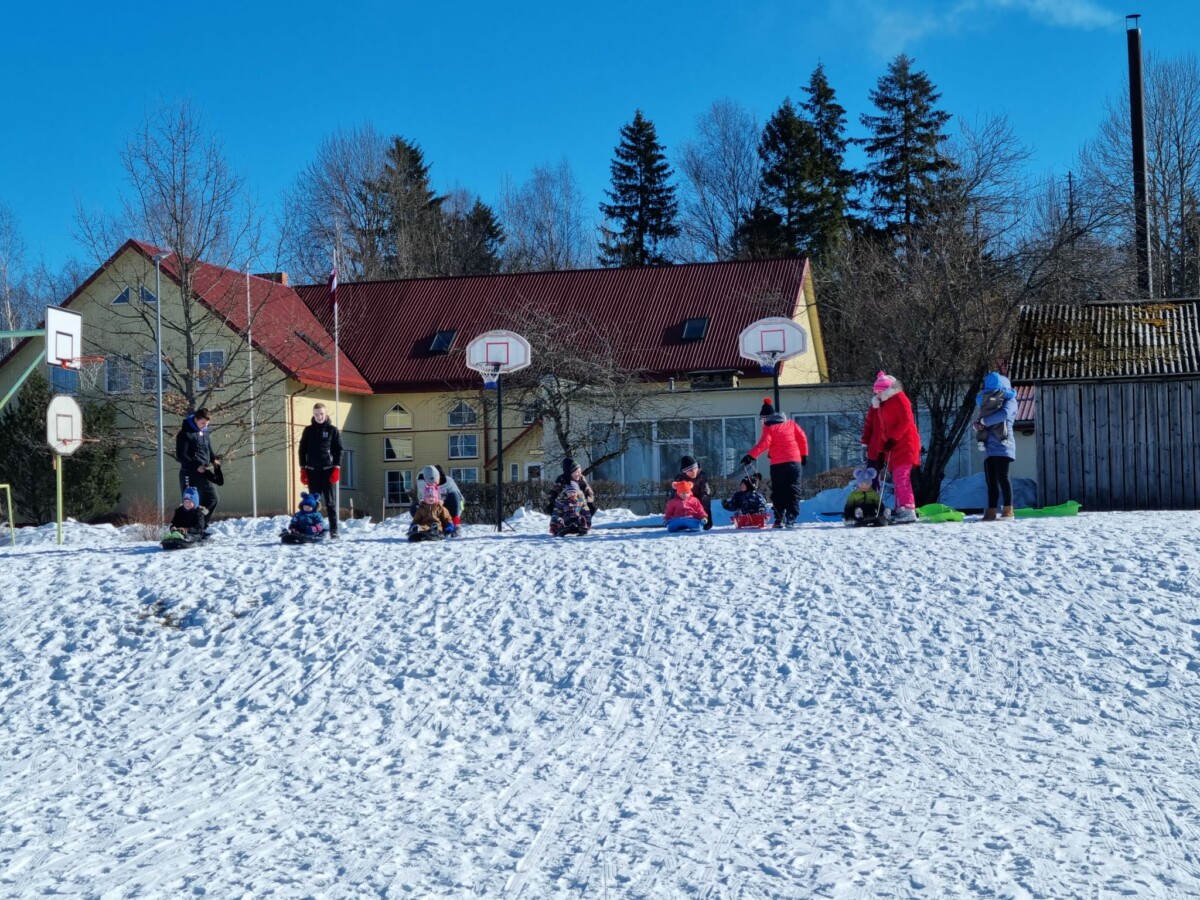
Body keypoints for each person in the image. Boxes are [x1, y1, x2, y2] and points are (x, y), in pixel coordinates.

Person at [741, 398, 808, 528]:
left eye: (762, 419)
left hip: (778, 464)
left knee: (778, 490)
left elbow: (764, 443)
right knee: (794, 489)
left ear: (766, 418)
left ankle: (779, 517)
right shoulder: (791, 424)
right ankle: (791, 516)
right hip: (795, 462)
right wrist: (803, 454)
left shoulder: (769, 427)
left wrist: (750, 456)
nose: (762, 422)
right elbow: (802, 438)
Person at [867, 372, 921, 524]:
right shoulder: (882, 405)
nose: (877, 394)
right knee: (897, 478)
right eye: (876, 392)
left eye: (879, 391)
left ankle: (908, 509)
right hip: (893, 448)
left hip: (905, 445)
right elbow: (883, 431)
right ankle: (900, 509)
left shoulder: (899, 398)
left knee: (902, 477)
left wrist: (893, 439)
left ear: (887, 389)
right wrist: (881, 453)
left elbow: (906, 420)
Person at [975, 371, 1018, 521]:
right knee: (990, 480)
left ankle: (1008, 510)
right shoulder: (988, 401)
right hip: (988, 447)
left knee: (1003, 477)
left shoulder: (1010, 401)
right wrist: (977, 425)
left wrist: (984, 422)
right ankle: (991, 511)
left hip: (1003, 445)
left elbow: (1004, 415)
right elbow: (982, 416)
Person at [298, 402, 343, 539]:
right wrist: (303, 469)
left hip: (328, 472)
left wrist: (337, 468)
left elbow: (339, 450)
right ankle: (313, 529)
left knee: (330, 503)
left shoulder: (333, 430)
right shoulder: (308, 430)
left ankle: (334, 530)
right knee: (312, 504)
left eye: (321, 413)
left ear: (326, 413)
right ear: (313, 414)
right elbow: (302, 450)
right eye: (316, 414)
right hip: (312, 472)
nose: (319, 416)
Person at [176, 407, 219, 527]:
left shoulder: (205, 432)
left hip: (204, 473)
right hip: (190, 473)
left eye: (207, 423)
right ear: (195, 420)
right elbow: (181, 456)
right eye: (202, 423)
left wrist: (213, 459)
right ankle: (187, 529)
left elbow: (208, 448)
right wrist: (196, 466)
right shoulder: (185, 434)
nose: (205, 426)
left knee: (212, 499)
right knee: (191, 503)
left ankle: (200, 526)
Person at [413, 465, 465, 533]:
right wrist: (424, 502)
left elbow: (459, 501)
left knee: (454, 496)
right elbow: (420, 497)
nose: (433, 485)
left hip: (445, 509)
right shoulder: (421, 483)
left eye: (435, 482)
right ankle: (420, 526)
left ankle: (453, 525)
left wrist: (456, 517)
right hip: (429, 508)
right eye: (431, 483)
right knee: (414, 508)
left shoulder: (449, 482)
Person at [675, 455, 713, 530]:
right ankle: (681, 521)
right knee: (678, 502)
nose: (693, 472)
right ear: (685, 472)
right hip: (686, 498)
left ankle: (705, 521)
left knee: (705, 499)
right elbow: (675, 496)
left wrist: (705, 517)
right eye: (690, 470)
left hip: (700, 497)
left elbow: (705, 492)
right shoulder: (680, 478)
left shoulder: (701, 476)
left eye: (695, 468)